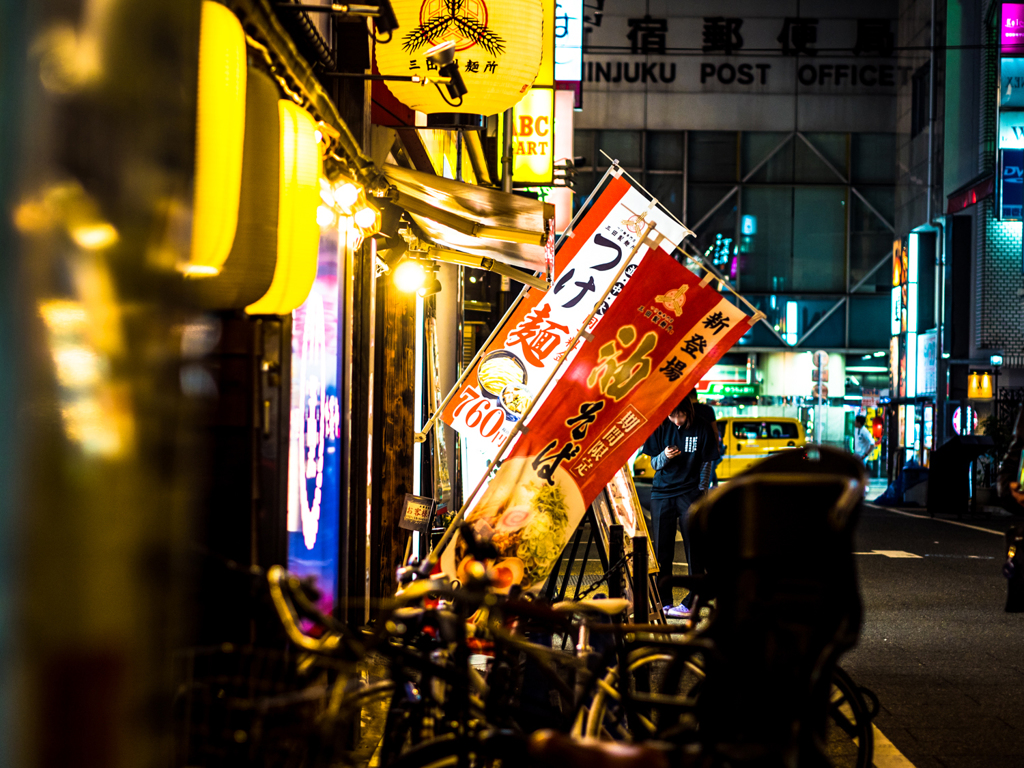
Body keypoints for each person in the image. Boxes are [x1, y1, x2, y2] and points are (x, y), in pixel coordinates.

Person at [641, 395, 717, 618]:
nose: (676, 420)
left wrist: (701, 492)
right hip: (661, 492)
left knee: (695, 549)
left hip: (689, 492)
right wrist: (664, 456)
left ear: (688, 410)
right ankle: (663, 602)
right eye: (671, 415)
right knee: (661, 550)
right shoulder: (661, 426)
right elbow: (654, 463)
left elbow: (707, 462)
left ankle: (693, 601)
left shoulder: (701, 427)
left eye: (680, 415)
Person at [690, 389, 722, 485]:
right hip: (707, 449)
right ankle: (704, 498)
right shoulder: (708, 409)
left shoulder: (686, 411)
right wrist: (716, 447)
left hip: (690, 449)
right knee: (705, 481)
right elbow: (715, 431)